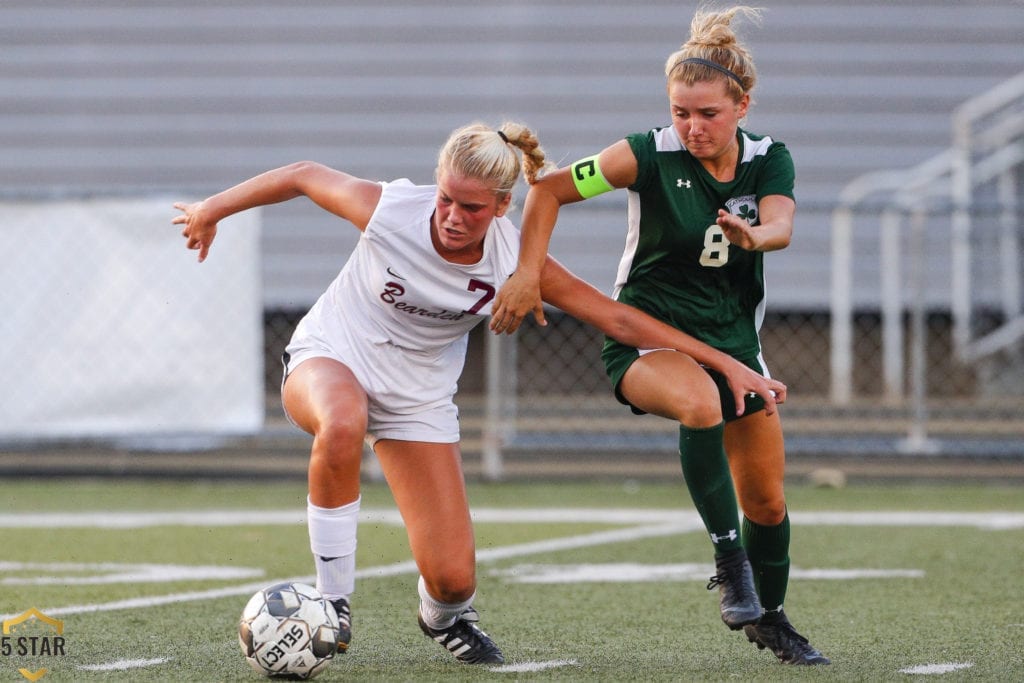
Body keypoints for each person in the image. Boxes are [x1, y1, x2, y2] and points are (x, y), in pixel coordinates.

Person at [173, 121, 785, 667]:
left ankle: (443, 618)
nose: (450, 216)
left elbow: (621, 321)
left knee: (453, 579)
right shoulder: (391, 211)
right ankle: (333, 603)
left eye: (470, 207)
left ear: (500, 206)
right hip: (334, 356)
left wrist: (727, 365)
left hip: (418, 402)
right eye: (445, 198)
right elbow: (304, 176)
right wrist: (213, 209)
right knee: (343, 421)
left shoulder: (516, 261)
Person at [489, 6, 829, 667]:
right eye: (681, 112)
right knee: (699, 401)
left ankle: (773, 618)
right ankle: (730, 563)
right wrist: (528, 272)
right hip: (647, 339)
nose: (692, 126)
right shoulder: (646, 152)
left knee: (768, 497)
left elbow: (781, 226)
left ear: (742, 106)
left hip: (733, 343)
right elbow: (550, 191)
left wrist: (752, 235)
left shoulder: (768, 160)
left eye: (707, 113)